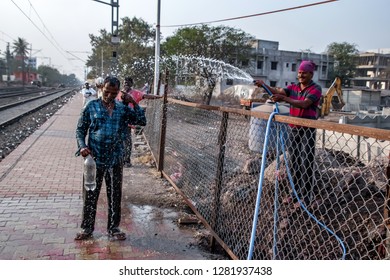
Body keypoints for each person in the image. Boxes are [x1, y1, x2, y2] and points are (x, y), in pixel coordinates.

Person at [75, 76, 146, 241]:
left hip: (115, 159)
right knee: (90, 194)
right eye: (107, 92)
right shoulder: (90, 107)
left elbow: (141, 121)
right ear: (101, 89)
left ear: (118, 93)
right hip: (94, 160)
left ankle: (113, 228)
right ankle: (87, 229)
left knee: (115, 195)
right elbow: (80, 130)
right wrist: (82, 146)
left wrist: (133, 103)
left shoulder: (122, 109)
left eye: (113, 93)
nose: (109, 96)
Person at [254, 60, 322, 207]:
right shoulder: (293, 87)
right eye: (299, 72)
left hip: (307, 129)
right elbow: (278, 92)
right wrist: (264, 85)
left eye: (304, 73)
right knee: (294, 162)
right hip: (293, 129)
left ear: (311, 74)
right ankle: (295, 192)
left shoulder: (315, 89)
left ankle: (306, 195)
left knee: (306, 162)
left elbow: (305, 103)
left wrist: (284, 99)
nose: (301, 75)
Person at [116, 76, 161, 167]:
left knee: (127, 141)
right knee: (119, 141)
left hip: (129, 121)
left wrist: (159, 97)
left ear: (132, 84)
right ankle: (119, 159)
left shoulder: (135, 93)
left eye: (128, 83)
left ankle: (127, 160)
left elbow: (146, 96)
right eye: (125, 83)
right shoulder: (119, 93)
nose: (126, 84)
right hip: (118, 121)